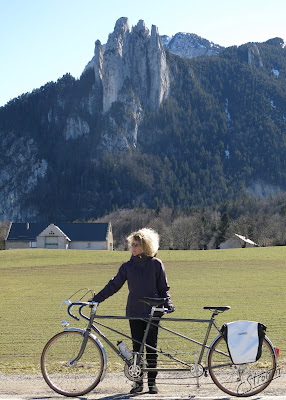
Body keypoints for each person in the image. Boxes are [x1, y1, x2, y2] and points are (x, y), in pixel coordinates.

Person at [91, 228, 174, 394]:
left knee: (152, 348)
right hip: (135, 311)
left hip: (153, 312)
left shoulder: (156, 265)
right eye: (132, 244)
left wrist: (168, 303)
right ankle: (138, 383)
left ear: (145, 246)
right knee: (137, 348)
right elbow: (113, 285)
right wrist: (96, 299)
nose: (133, 247)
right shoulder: (127, 267)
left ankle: (152, 383)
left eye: (136, 244)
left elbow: (163, 288)